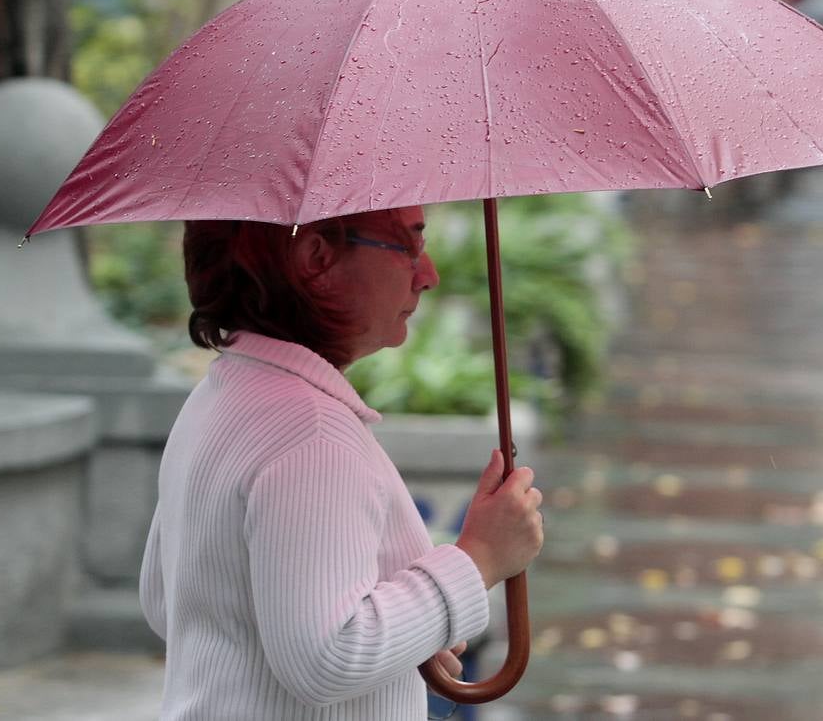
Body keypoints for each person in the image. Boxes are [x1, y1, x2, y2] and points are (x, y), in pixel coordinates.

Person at [139, 206, 544, 720]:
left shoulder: (218, 396)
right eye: (409, 245)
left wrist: (410, 628)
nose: (429, 274)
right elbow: (328, 655)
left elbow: (167, 599)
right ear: (316, 257)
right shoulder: (312, 435)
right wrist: (481, 556)